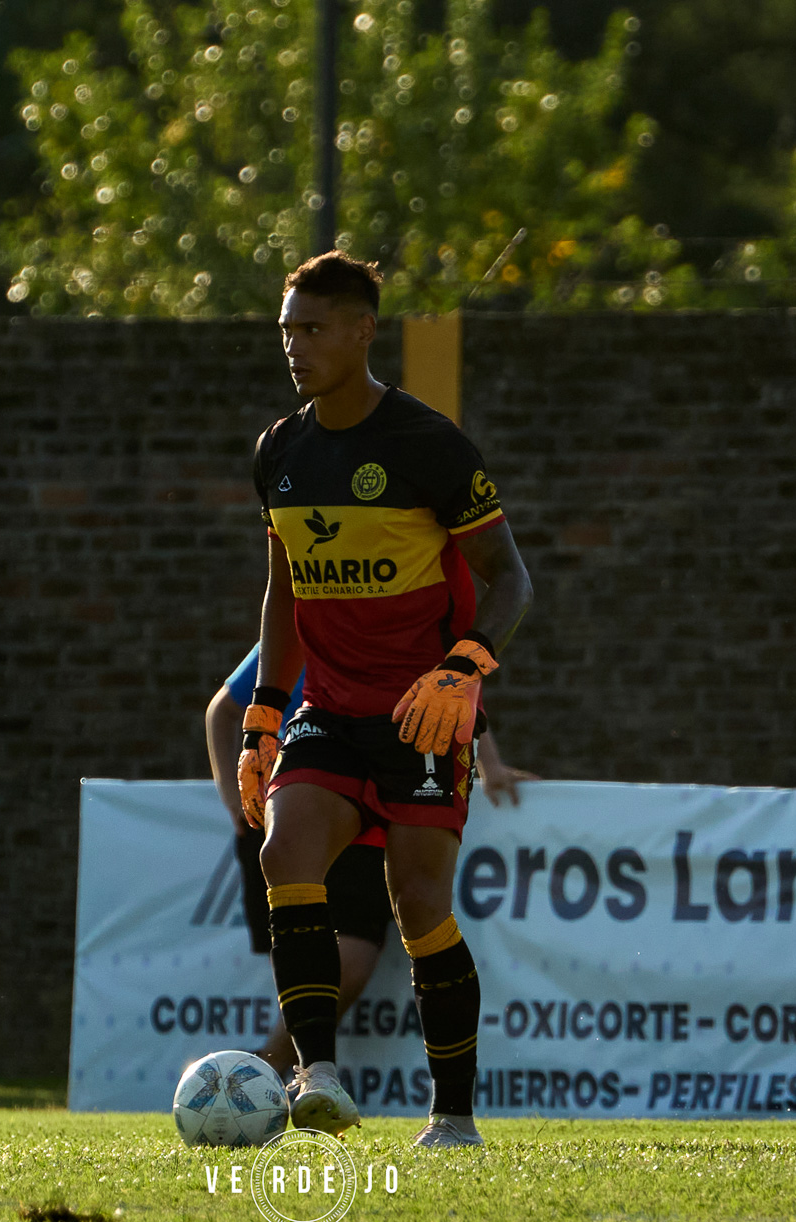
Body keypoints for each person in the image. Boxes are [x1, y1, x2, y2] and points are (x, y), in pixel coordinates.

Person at [238, 252, 533, 1148]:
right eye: (287, 329)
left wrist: (465, 667)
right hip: (325, 703)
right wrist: (262, 714)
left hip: (420, 712)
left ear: (364, 330)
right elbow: (285, 591)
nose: (296, 346)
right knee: (286, 851)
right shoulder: (279, 451)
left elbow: (509, 576)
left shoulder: (426, 444)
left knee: (420, 906)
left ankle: (454, 1117)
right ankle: (315, 1075)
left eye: (313, 328)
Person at [204, 646, 540, 1074]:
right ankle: (303, 1067)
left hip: (374, 789)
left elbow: (451, 684)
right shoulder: (301, 631)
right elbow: (223, 710)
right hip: (291, 800)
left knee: (364, 944)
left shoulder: (402, 624)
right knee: (298, 938)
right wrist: (234, 800)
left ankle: (287, 1063)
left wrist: (489, 765)